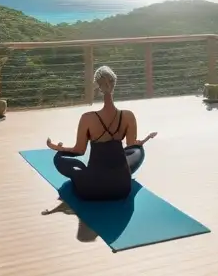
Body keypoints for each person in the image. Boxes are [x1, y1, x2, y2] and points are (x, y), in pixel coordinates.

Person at [46, 65, 157, 201]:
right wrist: (141, 142)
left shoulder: (87, 118)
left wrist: (59, 148)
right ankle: (119, 172)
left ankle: (83, 170)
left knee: (59, 158)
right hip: (122, 188)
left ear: (98, 88)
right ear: (114, 84)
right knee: (138, 150)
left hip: (93, 188)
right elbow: (131, 144)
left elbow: (79, 150)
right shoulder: (128, 116)